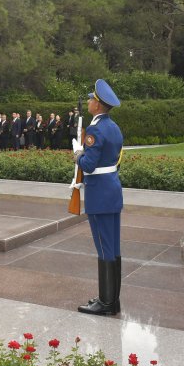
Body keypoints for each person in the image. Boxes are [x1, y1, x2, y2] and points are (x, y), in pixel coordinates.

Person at [74, 79, 124, 316]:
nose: (88, 102)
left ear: (98, 105)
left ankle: (105, 303)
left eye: (91, 99)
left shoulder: (95, 130)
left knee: (104, 248)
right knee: (113, 246)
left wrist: (78, 155)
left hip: (99, 194)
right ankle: (112, 300)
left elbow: (89, 165)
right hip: (112, 190)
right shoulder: (113, 127)